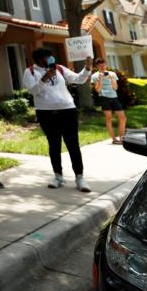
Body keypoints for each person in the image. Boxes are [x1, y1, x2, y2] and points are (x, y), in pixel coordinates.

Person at [22, 48, 94, 193]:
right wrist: (44, 78)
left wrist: (87, 67)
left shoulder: (60, 68)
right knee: (54, 144)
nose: (50, 59)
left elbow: (78, 79)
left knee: (73, 144)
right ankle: (58, 176)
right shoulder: (29, 72)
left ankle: (79, 177)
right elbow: (33, 91)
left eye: (51, 56)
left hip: (68, 110)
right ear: (38, 59)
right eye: (47, 57)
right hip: (46, 113)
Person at [91, 58, 126, 144]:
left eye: (103, 65)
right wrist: (100, 80)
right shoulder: (95, 76)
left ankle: (122, 138)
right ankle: (114, 139)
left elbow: (115, 88)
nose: (102, 67)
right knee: (109, 118)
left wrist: (111, 79)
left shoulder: (112, 74)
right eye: (100, 66)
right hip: (104, 98)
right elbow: (98, 90)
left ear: (106, 65)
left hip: (114, 97)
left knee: (122, 118)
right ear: (97, 67)